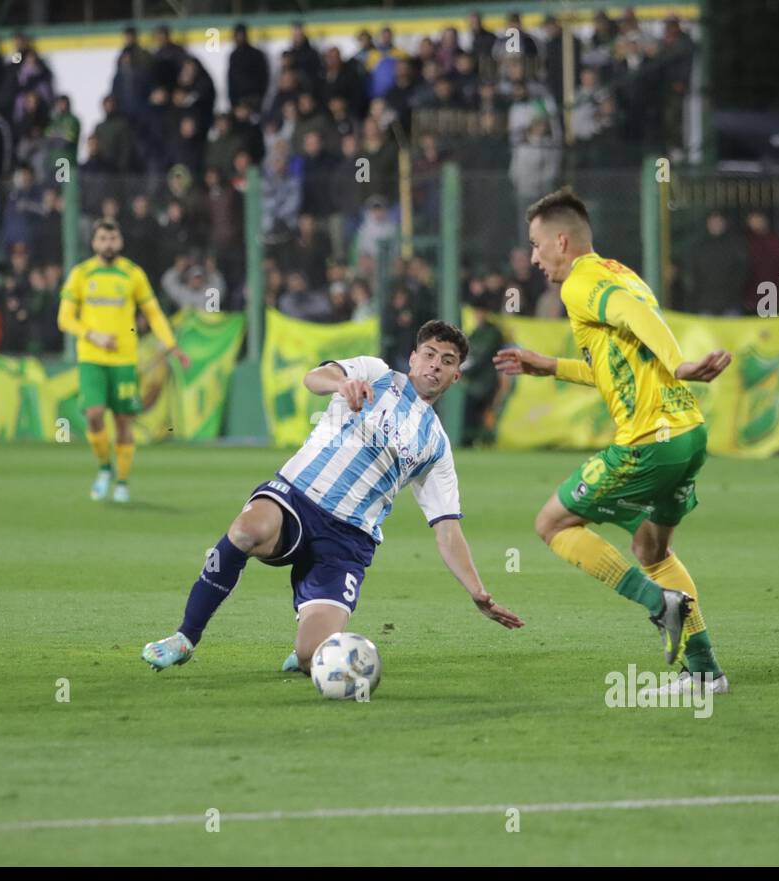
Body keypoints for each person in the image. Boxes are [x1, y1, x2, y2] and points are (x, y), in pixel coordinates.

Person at [142, 320, 524, 675]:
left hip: (347, 541)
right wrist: (340, 384)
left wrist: (477, 591)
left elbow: (447, 529)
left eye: (447, 361)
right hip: (298, 498)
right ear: (413, 357)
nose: (435, 365)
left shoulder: (436, 445)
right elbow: (314, 377)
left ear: (456, 375)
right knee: (245, 531)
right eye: (428, 354)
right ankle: (185, 637)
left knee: (316, 658)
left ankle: (307, 646)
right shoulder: (376, 374)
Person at [493, 187, 732, 695]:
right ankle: (705, 672)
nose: (534, 258)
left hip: (649, 441)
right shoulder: (620, 271)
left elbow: (630, 314)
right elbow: (617, 367)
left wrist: (679, 363)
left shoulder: (580, 284)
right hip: (688, 435)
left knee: (551, 523)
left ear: (561, 241)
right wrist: (550, 365)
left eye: (536, 245)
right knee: (651, 547)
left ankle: (657, 603)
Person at [57, 219, 190, 503]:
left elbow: (153, 313)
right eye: (103, 238)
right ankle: (105, 468)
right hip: (91, 358)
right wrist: (93, 336)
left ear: (121, 242)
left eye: (113, 238)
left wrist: (171, 345)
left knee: (123, 422)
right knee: (93, 414)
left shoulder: (133, 274)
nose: (108, 243)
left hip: (124, 361)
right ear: (94, 243)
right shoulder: (81, 274)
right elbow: (65, 318)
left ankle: (122, 481)